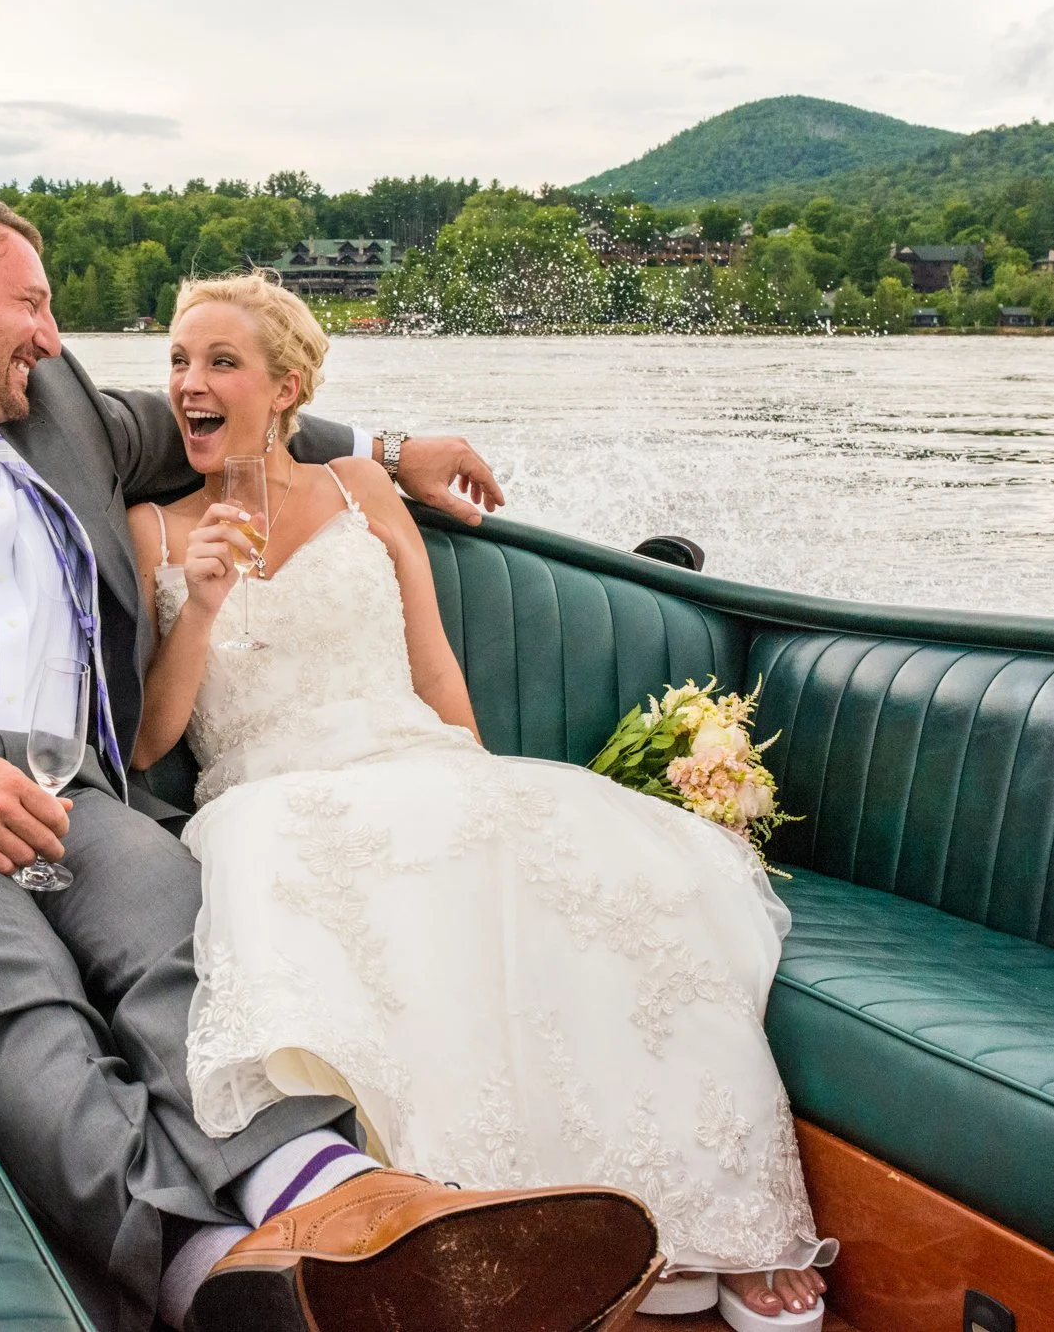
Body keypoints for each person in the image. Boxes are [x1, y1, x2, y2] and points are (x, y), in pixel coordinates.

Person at [0, 178, 663, 1332]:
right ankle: (204, 1271)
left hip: (63, 789)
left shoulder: (62, 413)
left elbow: (244, 417)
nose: (51, 334)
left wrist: (396, 448)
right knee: (14, 977)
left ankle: (336, 1200)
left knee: (180, 928)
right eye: (31, 303)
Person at [128, 271, 838, 1332]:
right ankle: (446, 1230)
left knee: (572, 860)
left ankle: (698, 1218)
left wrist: (477, 781)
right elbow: (148, 741)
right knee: (320, 872)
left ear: (285, 390)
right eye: (178, 361)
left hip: (413, 757)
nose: (189, 382)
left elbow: (434, 673)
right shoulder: (154, 523)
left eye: (219, 362)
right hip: (269, 789)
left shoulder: (364, 494)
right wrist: (202, 606)